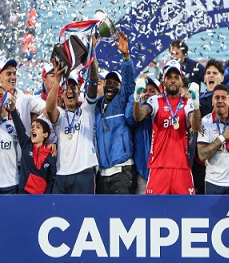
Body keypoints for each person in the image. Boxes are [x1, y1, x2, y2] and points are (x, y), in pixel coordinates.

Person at [133, 60, 201, 195]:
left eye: (176, 77)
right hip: (158, 166)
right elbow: (138, 116)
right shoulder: (155, 100)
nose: (173, 80)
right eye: (169, 77)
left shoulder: (188, 103)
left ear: (182, 81)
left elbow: (196, 126)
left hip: (182, 167)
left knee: (186, 211)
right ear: (164, 82)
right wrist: (136, 99)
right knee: (153, 211)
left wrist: (197, 104)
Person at [46, 55, 99, 194]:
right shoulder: (60, 115)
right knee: (58, 215)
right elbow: (49, 109)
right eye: (66, 88)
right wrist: (57, 80)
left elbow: (93, 80)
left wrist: (91, 55)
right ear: (61, 95)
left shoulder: (87, 109)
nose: (69, 90)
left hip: (84, 171)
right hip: (62, 174)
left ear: (79, 91)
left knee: (84, 214)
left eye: (73, 87)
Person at [95, 31, 136, 194]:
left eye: (115, 83)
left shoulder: (121, 101)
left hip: (122, 172)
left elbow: (129, 84)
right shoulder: (96, 107)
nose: (111, 86)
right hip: (102, 175)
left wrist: (126, 56)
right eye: (108, 82)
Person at [197, 85, 229, 194]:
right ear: (212, 101)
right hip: (213, 182)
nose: (220, 101)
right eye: (216, 98)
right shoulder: (205, 122)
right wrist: (222, 137)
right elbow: (202, 155)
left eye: (224, 98)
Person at [8, 96, 56, 194]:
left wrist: (46, 198)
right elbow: (20, 128)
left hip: (41, 198)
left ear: (45, 134)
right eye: (32, 127)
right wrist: (13, 110)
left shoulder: (50, 155)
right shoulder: (26, 144)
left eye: (38, 127)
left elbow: (51, 181)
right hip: (23, 196)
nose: (33, 129)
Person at [125, 75, 161, 194]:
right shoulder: (138, 112)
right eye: (144, 90)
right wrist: (136, 97)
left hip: (161, 170)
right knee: (143, 209)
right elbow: (130, 119)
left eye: (152, 91)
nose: (147, 93)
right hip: (142, 170)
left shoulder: (165, 114)